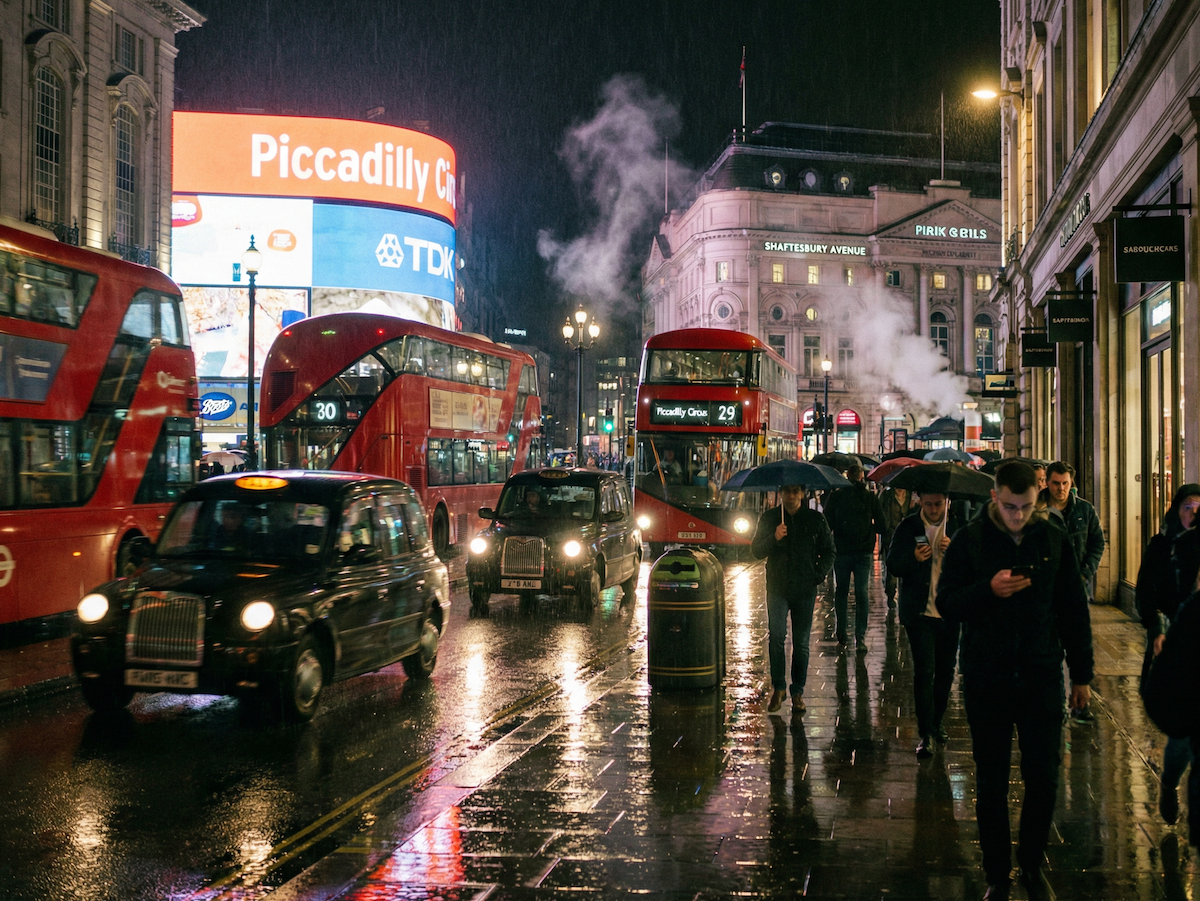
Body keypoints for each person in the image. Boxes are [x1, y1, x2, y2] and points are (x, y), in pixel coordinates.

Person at [936, 462, 1092, 901]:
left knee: (1043, 776)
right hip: (988, 676)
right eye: (1009, 506)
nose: (1018, 516)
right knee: (991, 778)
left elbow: (1073, 610)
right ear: (995, 497)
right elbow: (947, 602)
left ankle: (1031, 865)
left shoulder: (1052, 539)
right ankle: (996, 873)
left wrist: (1082, 674)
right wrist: (989, 589)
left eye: (1025, 507)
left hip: (1042, 674)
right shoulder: (971, 540)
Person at [886, 491, 966, 759]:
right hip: (919, 612)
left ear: (946, 502)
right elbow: (893, 564)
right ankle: (926, 733)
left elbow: (973, 565)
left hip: (948, 611)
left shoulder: (956, 526)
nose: (933, 510)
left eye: (938, 504)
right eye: (929, 504)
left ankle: (937, 721)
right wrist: (914, 559)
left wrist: (954, 551)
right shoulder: (909, 527)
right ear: (920, 501)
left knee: (945, 670)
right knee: (925, 669)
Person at [1138, 484, 1200, 826]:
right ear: (1176, 509)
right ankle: (1170, 781)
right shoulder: (1163, 546)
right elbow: (1147, 593)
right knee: (1184, 732)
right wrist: (1160, 630)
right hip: (1179, 649)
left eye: (1199, 509)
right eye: (1188, 507)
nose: (1193, 514)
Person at [751, 483, 836, 715]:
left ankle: (797, 690)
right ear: (781, 493)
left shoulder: (815, 519)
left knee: (801, 643)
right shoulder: (770, 518)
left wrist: (817, 575)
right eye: (787, 491)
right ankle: (778, 688)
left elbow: (829, 551)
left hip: (804, 590)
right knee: (777, 637)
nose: (791, 495)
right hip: (777, 587)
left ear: (802, 493)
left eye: (795, 491)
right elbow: (756, 550)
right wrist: (774, 537)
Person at [823, 462, 884, 652]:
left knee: (841, 591)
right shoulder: (869, 497)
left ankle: (842, 632)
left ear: (847, 476)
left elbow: (827, 523)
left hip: (841, 551)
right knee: (861, 594)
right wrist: (869, 530)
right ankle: (861, 636)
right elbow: (883, 524)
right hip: (863, 552)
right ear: (861, 476)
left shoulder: (837, 496)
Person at [879, 485, 912, 609]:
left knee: (907, 568)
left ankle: (904, 597)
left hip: (908, 537)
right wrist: (884, 528)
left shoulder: (911, 496)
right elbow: (879, 512)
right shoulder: (887, 496)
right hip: (890, 537)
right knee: (892, 569)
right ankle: (891, 594)